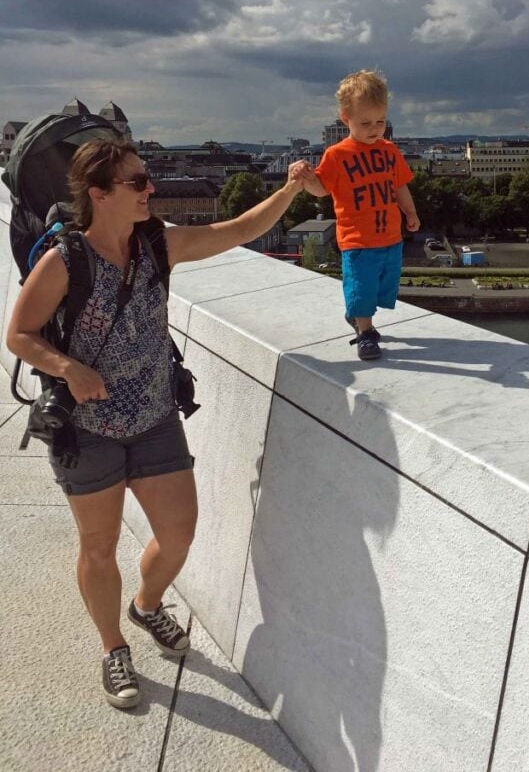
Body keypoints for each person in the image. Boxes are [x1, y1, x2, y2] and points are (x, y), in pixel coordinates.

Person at [5, 140, 306, 708]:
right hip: (87, 428)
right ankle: (113, 647)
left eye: (147, 179)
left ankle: (145, 606)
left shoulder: (156, 246)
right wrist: (69, 367)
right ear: (98, 195)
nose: (151, 189)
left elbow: (236, 230)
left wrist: (290, 188)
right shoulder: (65, 260)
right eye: (137, 182)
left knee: (178, 535)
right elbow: (19, 334)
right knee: (99, 547)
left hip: (153, 418)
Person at [298, 69, 420, 360]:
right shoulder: (337, 155)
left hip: (391, 236)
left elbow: (400, 186)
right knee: (362, 287)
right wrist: (306, 179)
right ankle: (365, 332)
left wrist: (411, 213)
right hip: (357, 240)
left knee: (382, 287)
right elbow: (322, 189)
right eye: (365, 123)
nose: (375, 129)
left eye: (380, 122)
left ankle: (357, 315)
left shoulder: (390, 150)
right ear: (346, 119)